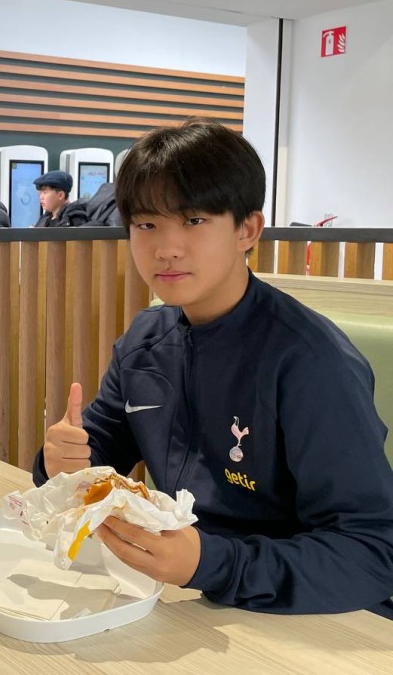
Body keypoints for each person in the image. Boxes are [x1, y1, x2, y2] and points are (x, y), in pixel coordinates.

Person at [34, 118, 393, 618]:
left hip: (296, 613)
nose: (166, 248)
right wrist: (59, 463)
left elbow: (372, 553)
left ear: (247, 229)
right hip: (180, 597)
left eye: (194, 220)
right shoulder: (145, 340)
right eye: (146, 225)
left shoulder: (310, 361)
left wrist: (211, 563)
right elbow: (97, 452)